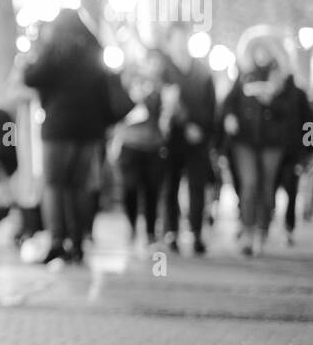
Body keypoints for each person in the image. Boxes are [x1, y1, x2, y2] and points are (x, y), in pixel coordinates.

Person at [22, 9, 130, 265]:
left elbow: (31, 77)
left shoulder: (55, 49)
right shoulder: (95, 51)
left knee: (54, 185)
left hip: (58, 129)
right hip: (89, 131)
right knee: (80, 187)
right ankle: (79, 242)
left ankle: (58, 241)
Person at [219, 30, 295, 257]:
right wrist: (229, 118)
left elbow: (296, 115)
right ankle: (248, 230)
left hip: (272, 142)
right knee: (249, 183)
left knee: (267, 186)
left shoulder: (283, 79)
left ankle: (263, 229)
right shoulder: (243, 76)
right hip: (245, 140)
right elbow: (228, 104)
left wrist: (272, 102)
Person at [159, 23, 218, 256]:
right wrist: (183, 125)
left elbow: (212, 106)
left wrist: (204, 131)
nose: (182, 43)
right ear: (169, 41)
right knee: (170, 186)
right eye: (177, 38)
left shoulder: (202, 71)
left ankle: (196, 232)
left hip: (198, 140)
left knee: (197, 187)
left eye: (185, 38)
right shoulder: (162, 70)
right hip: (171, 139)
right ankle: (170, 232)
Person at [115, 51, 166, 247]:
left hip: (154, 144)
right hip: (130, 143)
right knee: (129, 188)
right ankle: (132, 226)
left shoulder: (163, 86)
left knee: (153, 189)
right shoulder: (130, 79)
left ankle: (151, 231)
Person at [275, 73, 313, 246]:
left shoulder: (298, 95)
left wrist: (309, 149)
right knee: (268, 189)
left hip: (292, 152)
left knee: (291, 190)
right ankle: (263, 223)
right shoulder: (269, 92)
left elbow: (309, 123)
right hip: (271, 150)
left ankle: (288, 227)